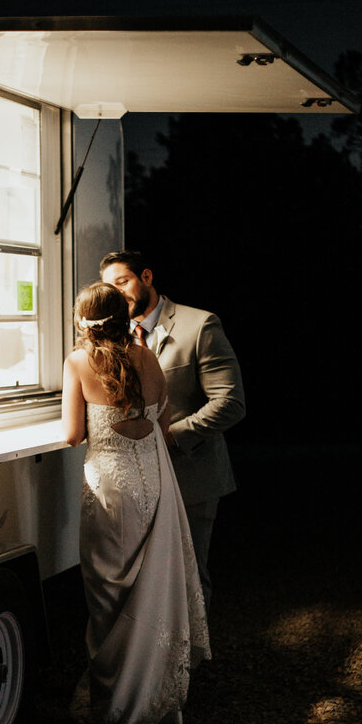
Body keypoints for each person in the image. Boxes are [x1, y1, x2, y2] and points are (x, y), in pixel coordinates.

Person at [61, 282, 210, 724]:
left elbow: (70, 434)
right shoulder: (147, 358)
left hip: (111, 490)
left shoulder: (79, 361)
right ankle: (157, 701)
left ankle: (114, 710)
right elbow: (161, 422)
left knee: (109, 594)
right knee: (153, 588)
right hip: (155, 487)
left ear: (84, 322)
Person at [100, 251, 245, 611]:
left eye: (123, 282)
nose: (119, 295)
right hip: (132, 482)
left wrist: (170, 436)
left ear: (146, 277)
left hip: (190, 475)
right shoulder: (112, 335)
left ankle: (190, 663)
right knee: (142, 580)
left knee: (187, 578)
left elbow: (230, 403)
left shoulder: (200, 325)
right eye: (110, 288)